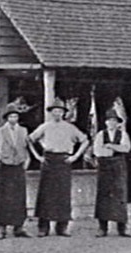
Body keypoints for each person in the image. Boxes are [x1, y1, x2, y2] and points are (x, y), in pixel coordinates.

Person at [28, 98, 90, 237]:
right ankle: (43, 227)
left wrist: (75, 157)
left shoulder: (70, 127)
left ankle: (62, 227)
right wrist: (38, 157)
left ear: (63, 113)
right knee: (46, 194)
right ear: (51, 113)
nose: (57, 113)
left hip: (64, 161)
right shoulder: (45, 126)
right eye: (54, 111)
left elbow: (85, 140)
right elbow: (29, 139)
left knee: (63, 194)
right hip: (49, 160)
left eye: (60, 111)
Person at [0, 103, 32, 239]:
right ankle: (1, 229)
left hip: (18, 166)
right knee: (4, 197)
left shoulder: (24, 131)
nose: (13, 119)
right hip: (5, 167)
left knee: (19, 197)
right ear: (6, 118)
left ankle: (19, 227)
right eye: (11, 116)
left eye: (15, 116)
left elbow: (26, 147)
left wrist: (27, 160)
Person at [93, 109, 131, 238]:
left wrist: (110, 146)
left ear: (118, 123)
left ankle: (122, 228)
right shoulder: (100, 134)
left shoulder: (123, 135)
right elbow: (97, 151)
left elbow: (126, 148)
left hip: (118, 166)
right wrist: (112, 150)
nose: (112, 123)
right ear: (106, 122)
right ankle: (102, 228)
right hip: (104, 167)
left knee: (120, 195)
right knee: (103, 195)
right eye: (110, 120)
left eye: (114, 121)